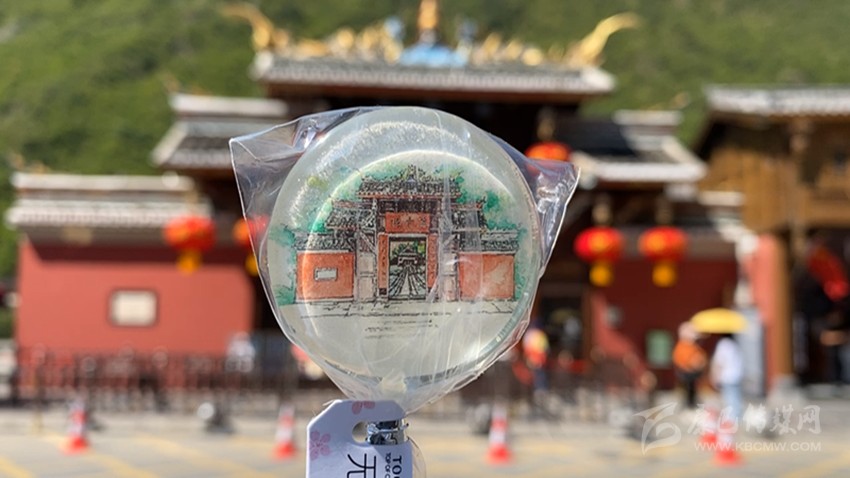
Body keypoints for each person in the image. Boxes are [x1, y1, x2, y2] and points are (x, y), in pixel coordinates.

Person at [672, 322, 706, 409]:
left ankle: (692, 404)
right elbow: (681, 360)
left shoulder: (693, 346)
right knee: (687, 390)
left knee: (693, 390)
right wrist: (693, 363)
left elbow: (700, 356)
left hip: (693, 373)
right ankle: (689, 405)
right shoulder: (682, 346)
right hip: (686, 373)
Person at [710, 333, 744, 422]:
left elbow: (719, 362)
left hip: (727, 375)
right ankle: (736, 417)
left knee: (729, 398)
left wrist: (715, 376)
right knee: (735, 398)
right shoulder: (735, 344)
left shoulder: (723, 344)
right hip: (737, 374)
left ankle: (732, 420)